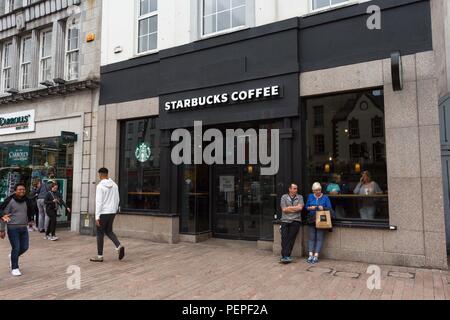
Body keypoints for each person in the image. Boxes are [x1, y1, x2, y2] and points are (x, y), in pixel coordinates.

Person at [90, 168, 125, 262]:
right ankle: (118, 246)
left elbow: (99, 202)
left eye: (99, 175)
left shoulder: (100, 186)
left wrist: (97, 217)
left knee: (100, 233)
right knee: (109, 231)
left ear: (100, 175)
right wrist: (115, 210)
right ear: (107, 174)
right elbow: (117, 199)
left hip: (103, 213)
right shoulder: (114, 185)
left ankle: (100, 256)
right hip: (112, 212)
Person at [0, 183, 33, 276]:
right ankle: (15, 268)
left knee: (25, 247)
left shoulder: (26, 200)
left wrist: (30, 222)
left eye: (23, 189)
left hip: (23, 227)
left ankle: (12, 257)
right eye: (19, 189)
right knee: (16, 248)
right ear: (15, 191)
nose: (22, 191)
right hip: (13, 228)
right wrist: (2, 230)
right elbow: (4, 216)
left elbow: (29, 212)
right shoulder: (10, 201)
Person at [305, 182, 332, 264]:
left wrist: (323, 207)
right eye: (316, 190)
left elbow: (330, 208)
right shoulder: (310, 196)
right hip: (311, 219)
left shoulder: (325, 197)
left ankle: (316, 256)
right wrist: (310, 208)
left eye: (319, 190)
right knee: (311, 238)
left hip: (322, 219)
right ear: (313, 191)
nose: (318, 191)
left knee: (319, 238)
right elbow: (306, 207)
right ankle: (310, 255)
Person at [279, 183, 304, 264]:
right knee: (284, 238)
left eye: (296, 188)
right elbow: (284, 209)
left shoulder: (300, 197)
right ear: (290, 189)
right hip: (285, 220)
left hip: (296, 221)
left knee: (291, 239)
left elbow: (300, 208)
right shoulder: (284, 197)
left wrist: (289, 208)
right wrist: (294, 208)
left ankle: (286, 256)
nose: (296, 190)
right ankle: (284, 256)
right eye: (294, 188)